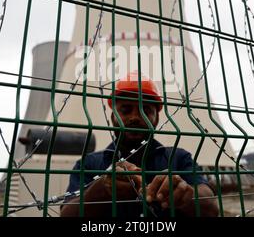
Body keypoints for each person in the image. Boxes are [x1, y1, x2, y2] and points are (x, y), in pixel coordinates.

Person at [60, 71, 218, 217]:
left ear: (156, 119)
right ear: (113, 116)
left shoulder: (178, 158)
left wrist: (184, 194)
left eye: (146, 110)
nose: (135, 117)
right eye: (126, 110)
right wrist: (101, 189)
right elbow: (66, 213)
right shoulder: (89, 163)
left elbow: (211, 208)